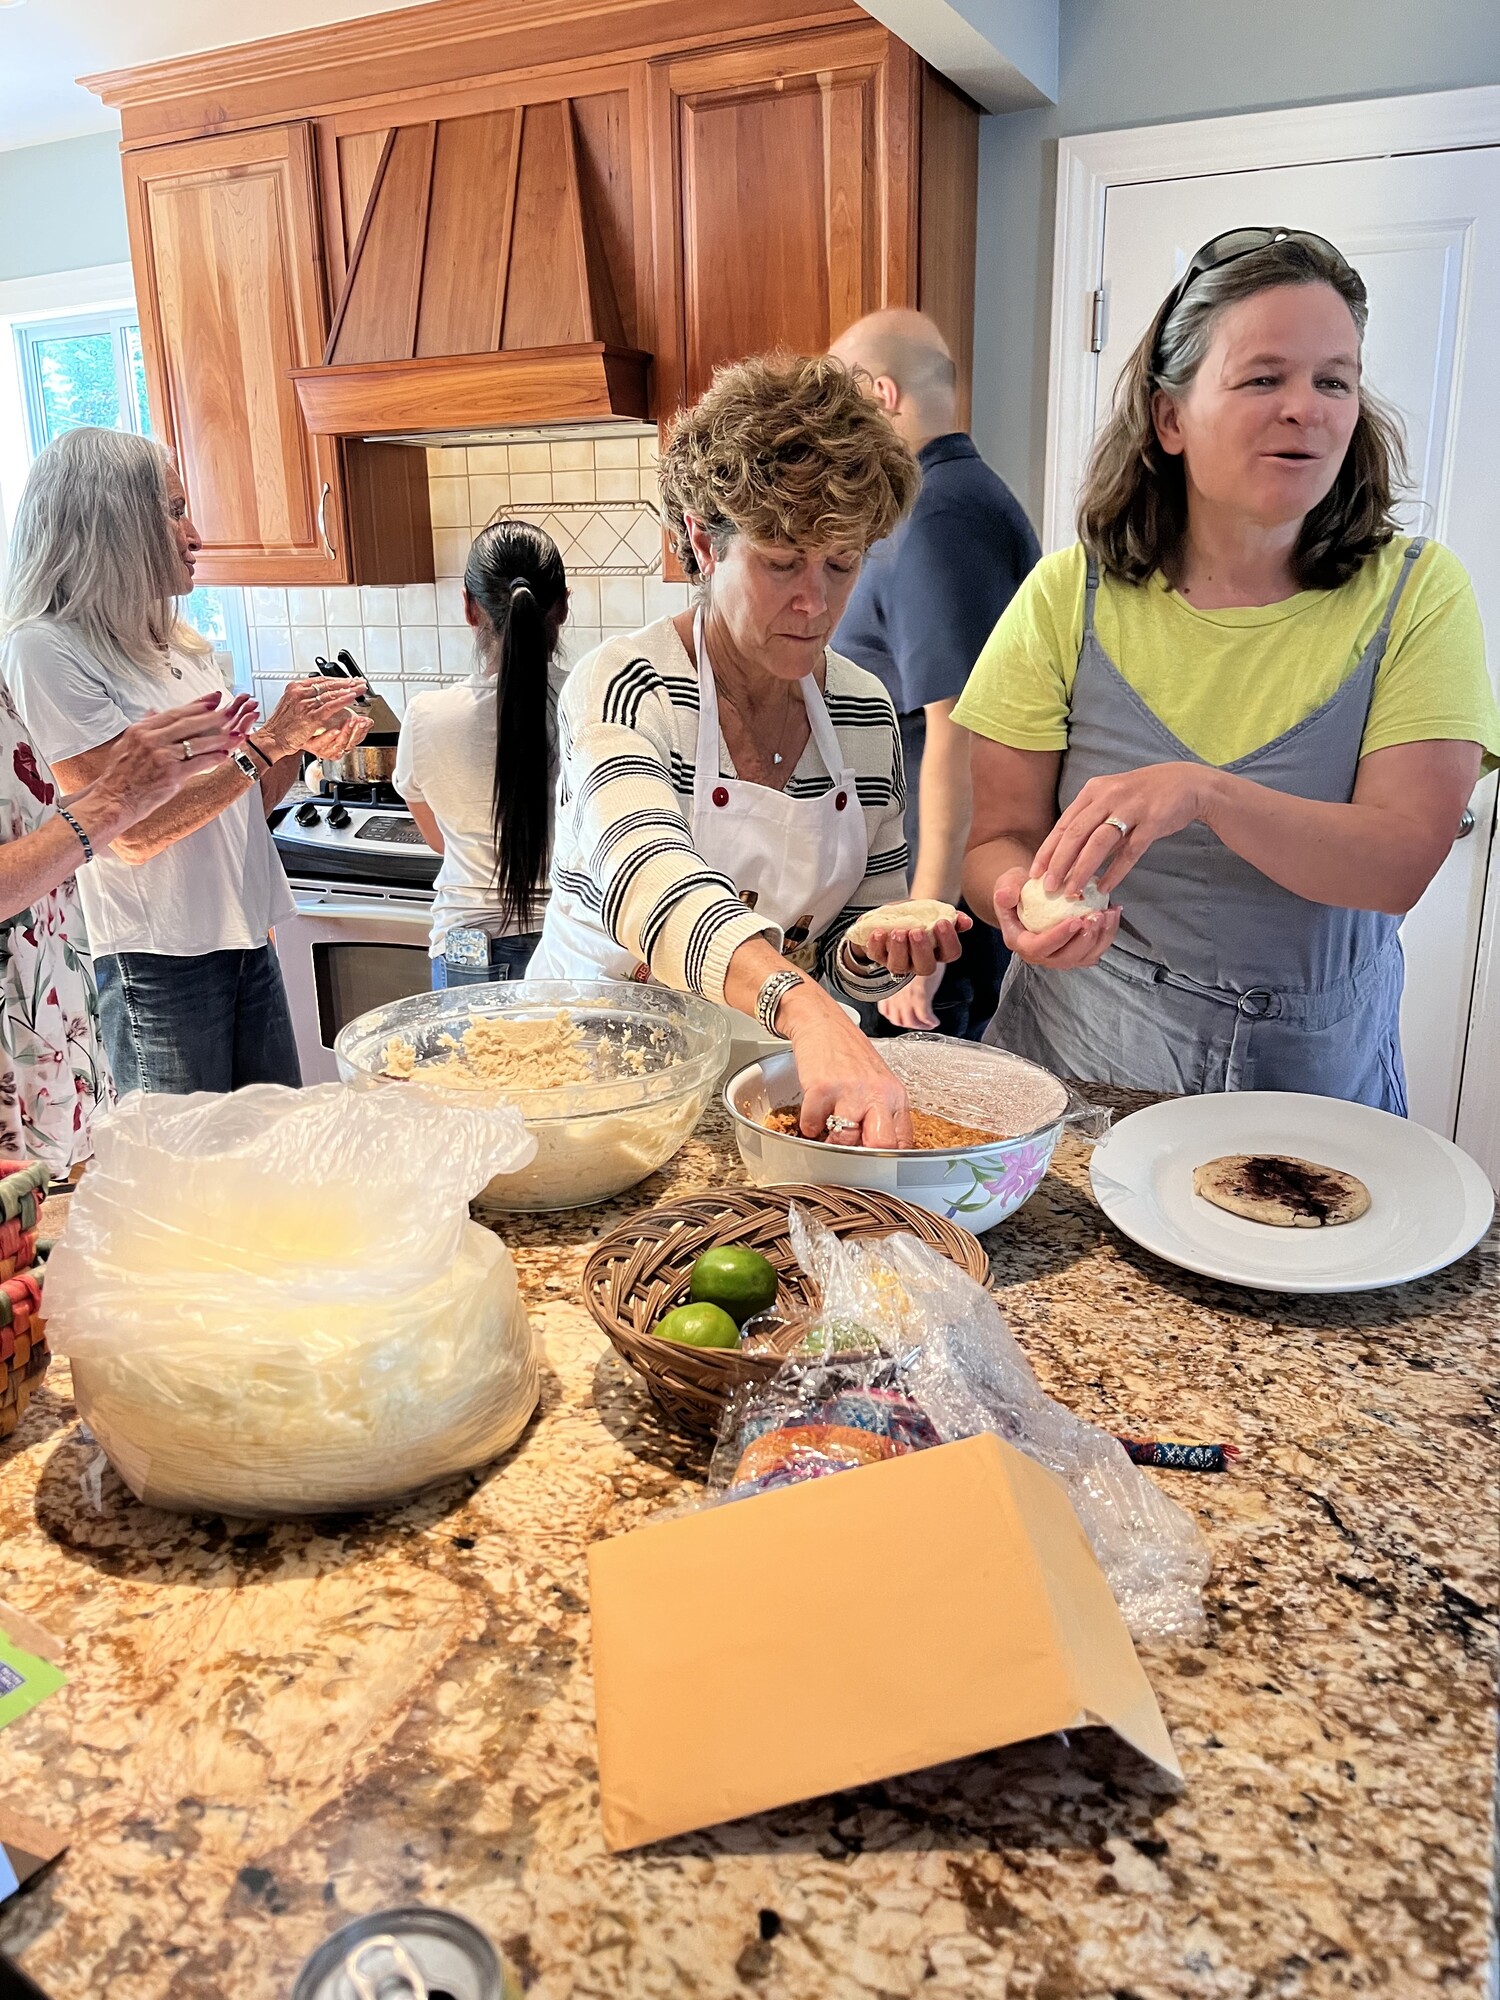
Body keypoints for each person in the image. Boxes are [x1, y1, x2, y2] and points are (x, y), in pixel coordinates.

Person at [956, 229, 1500, 1109]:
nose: (1306, 408)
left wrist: (1204, 793)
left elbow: (1399, 862)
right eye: (1263, 377)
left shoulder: (1419, 595)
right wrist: (1017, 898)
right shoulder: (1069, 595)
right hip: (1082, 1056)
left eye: (1335, 379)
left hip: (1314, 1084)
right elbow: (996, 843)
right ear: (1170, 418)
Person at [530, 353, 971, 1147]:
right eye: (780, 563)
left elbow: (844, 948)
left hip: (762, 1093)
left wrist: (876, 951)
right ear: (703, 541)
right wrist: (806, 1009)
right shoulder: (629, 687)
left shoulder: (863, 713)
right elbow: (649, 884)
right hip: (588, 1088)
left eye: (842, 565)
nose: (816, 601)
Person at [3, 428, 368, 1095]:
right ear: (114, 524)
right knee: (185, 1178)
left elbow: (243, 806)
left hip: (242, 935)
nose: (195, 533)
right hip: (158, 958)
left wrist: (293, 744)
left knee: (267, 1150)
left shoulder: (178, 644)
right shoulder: (45, 650)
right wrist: (263, 748)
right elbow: (132, 834)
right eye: (173, 511)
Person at [830, 308, 1040, 1037]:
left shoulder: (939, 513)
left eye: (840, 401)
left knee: (916, 1137)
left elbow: (961, 735)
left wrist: (926, 940)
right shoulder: (943, 501)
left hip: (929, 912)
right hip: (917, 896)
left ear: (881, 394)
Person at [0, 679, 256, 1171]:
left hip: (50, 1021)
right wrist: (116, 799)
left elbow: (28, 831)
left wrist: (140, 783)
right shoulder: (36, 646)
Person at [394, 520, 568, 988]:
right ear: (563, 606)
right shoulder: (596, 705)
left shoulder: (427, 717)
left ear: (471, 609)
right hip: (572, 948)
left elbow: (438, 840)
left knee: (466, 1064)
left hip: (468, 950)